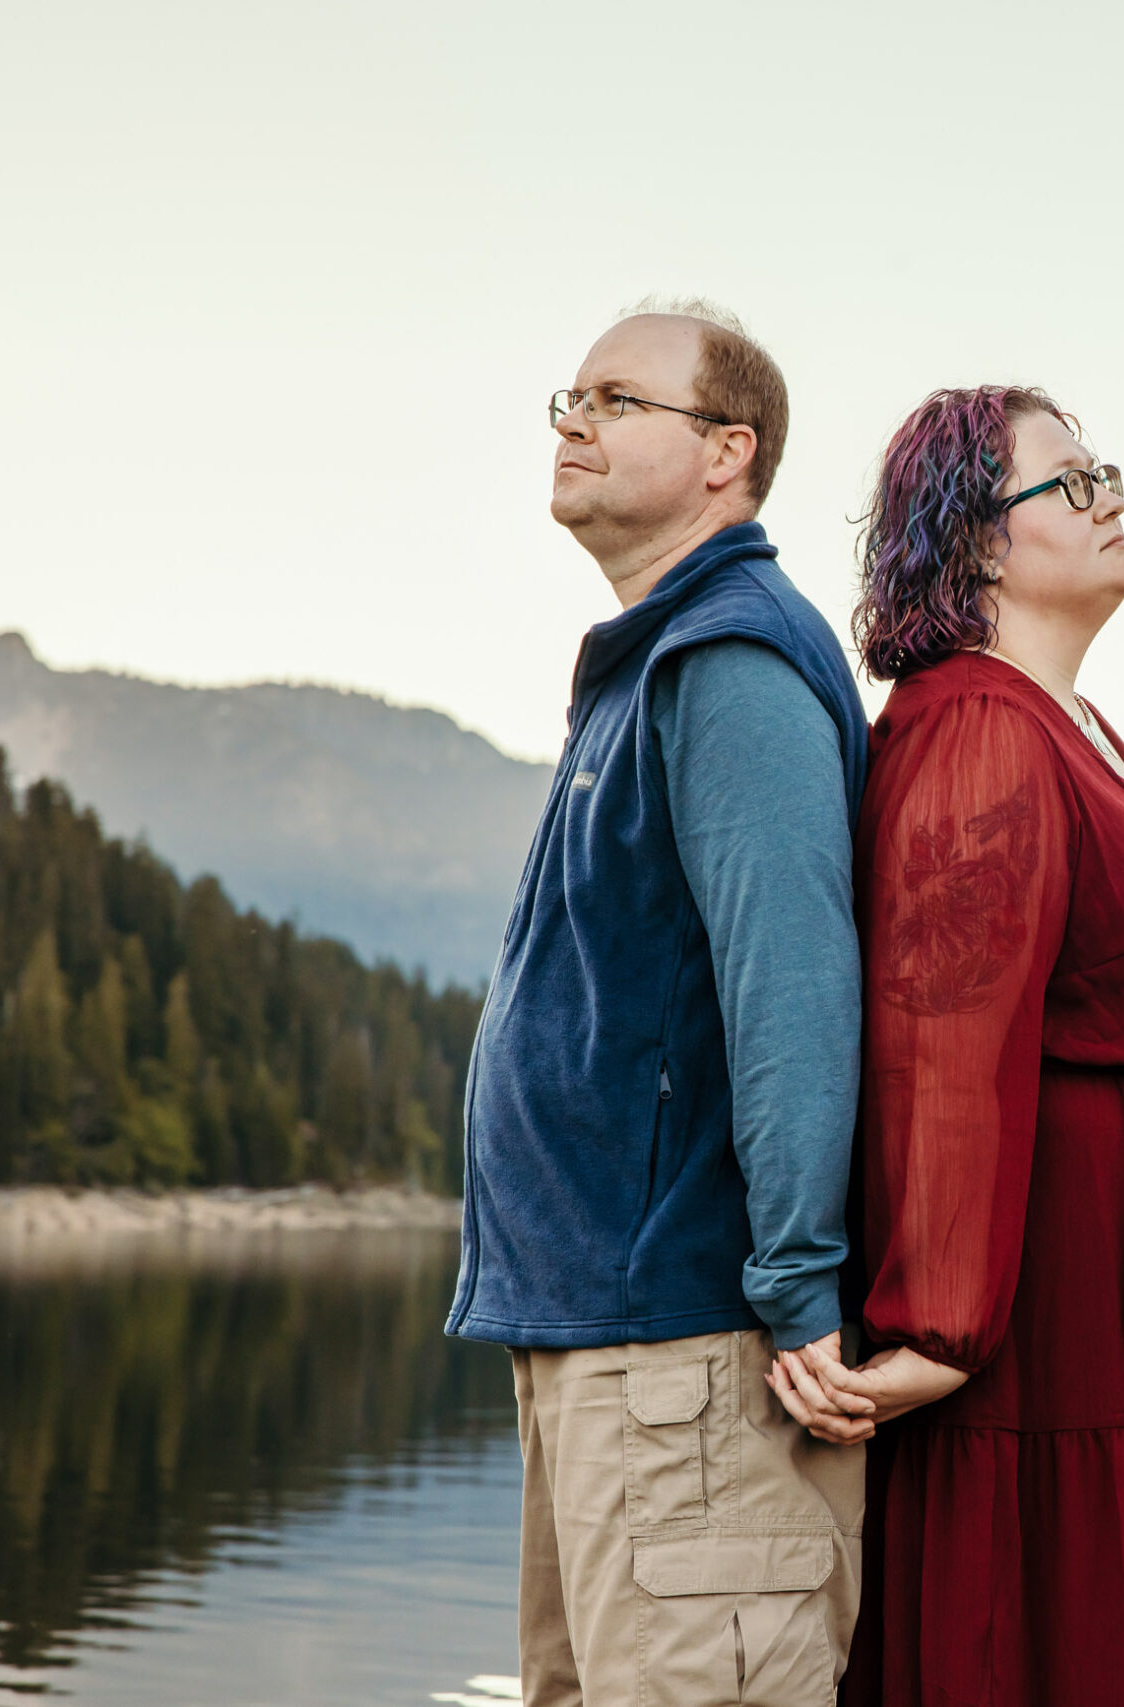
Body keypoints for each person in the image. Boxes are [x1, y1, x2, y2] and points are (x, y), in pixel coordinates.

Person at [769, 386, 1124, 1705]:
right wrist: (937, 1338)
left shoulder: (1061, 722)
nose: (1112, 493)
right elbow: (944, 1028)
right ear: (976, 544)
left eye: (1105, 470)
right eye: (1072, 482)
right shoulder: (974, 727)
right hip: (1068, 1346)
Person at [447, 299, 872, 1706]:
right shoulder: (650, 663)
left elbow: (793, 987)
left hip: (693, 1367)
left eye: (617, 398)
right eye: (568, 395)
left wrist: (799, 1285)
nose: (573, 417)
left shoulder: (730, 662)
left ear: (724, 454)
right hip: (604, 1352)